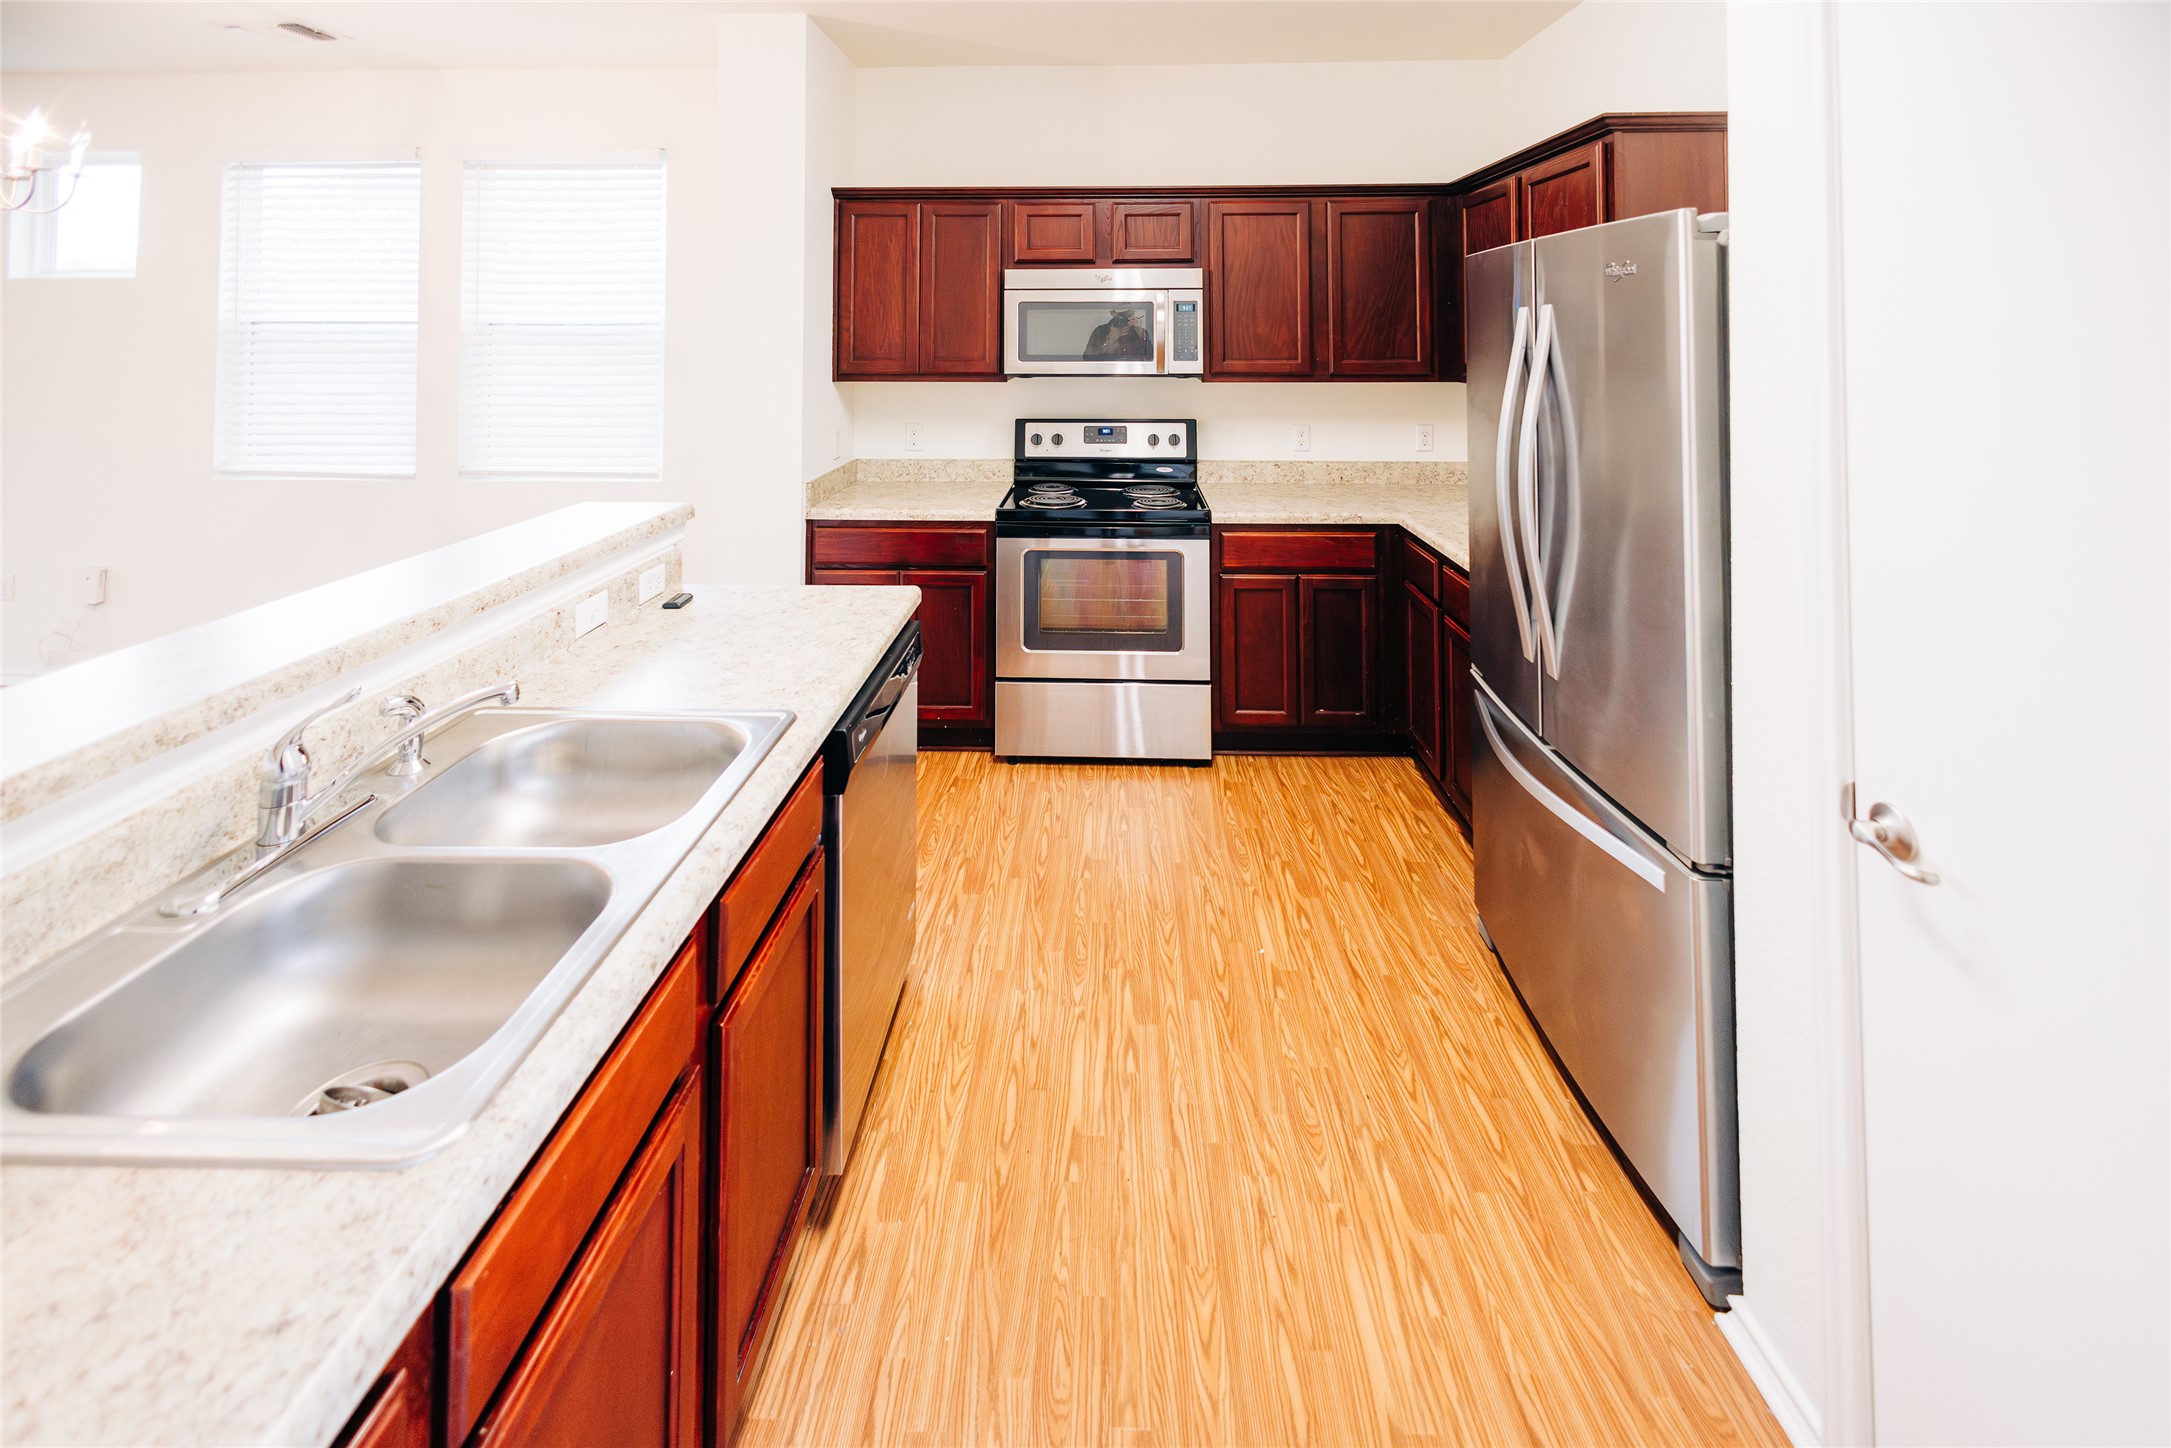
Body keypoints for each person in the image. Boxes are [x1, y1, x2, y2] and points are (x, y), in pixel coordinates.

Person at [1084, 307, 1153, 361]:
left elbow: (1151, 358)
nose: (1123, 319)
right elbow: (1087, 359)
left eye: (1127, 315)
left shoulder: (1140, 332)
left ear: (1133, 314)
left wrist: (1141, 335)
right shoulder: (1100, 331)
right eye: (1120, 316)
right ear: (1113, 314)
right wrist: (1109, 341)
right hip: (1106, 375)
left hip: (1135, 376)